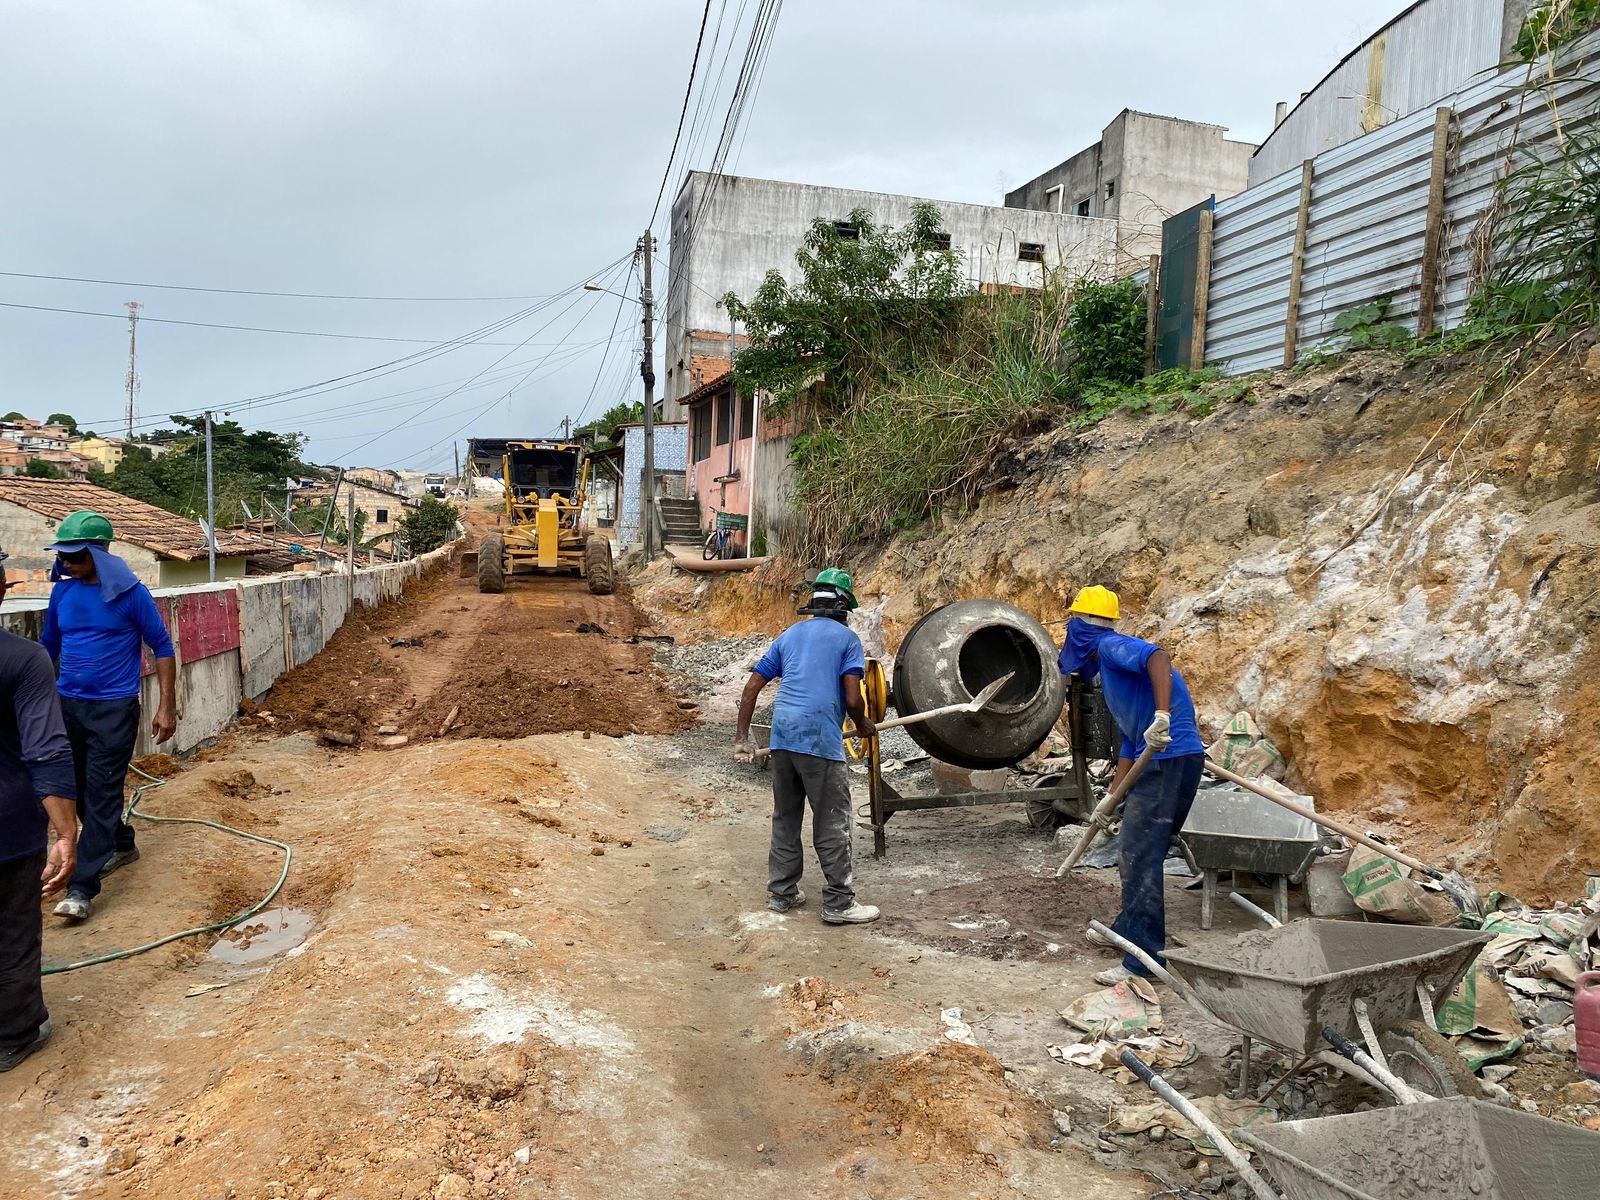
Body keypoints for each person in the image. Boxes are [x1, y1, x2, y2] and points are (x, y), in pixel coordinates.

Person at [1056, 585, 1205, 985]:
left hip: (1168, 758)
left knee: (1139, 855)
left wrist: (1162, 716)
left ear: (1082, 625)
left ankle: (1143, 961)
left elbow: (1157, 656)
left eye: (1072, 622)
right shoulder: (1109, 669)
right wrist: (1112, 796)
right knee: (1138, 851)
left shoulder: (1111, 647)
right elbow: (1130, 740)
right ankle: (1128, 929)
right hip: (1158, 757)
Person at [40, 511, 177, 922]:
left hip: (114, 708)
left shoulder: (131, 595)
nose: (67, 563)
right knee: (77, 788)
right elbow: (47, 646)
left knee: (101, 791)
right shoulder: (63, 595)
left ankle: (82, 888)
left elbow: (163, 647)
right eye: (62, 556)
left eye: (75, 556)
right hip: (68, 705)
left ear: (98, 554)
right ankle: (121, 841)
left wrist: (167, 705)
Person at [733, 568, 880, 925]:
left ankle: (782, 894)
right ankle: (839, 904)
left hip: (782, 739)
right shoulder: (847, 641)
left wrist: (742, 736)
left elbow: (752, 686)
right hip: (819, 741)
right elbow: (853, 697)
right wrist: (862, 726)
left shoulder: (789, 635)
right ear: (845, 608)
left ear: (812, 605)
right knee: (832, 821)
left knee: (785, 817)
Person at [0, 544, 80, 1072]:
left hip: (107, 701)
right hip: (9, 829)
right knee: (11, 933)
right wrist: (66, 832)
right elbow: (46, 749)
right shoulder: (24, 660)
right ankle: (13, 1035)